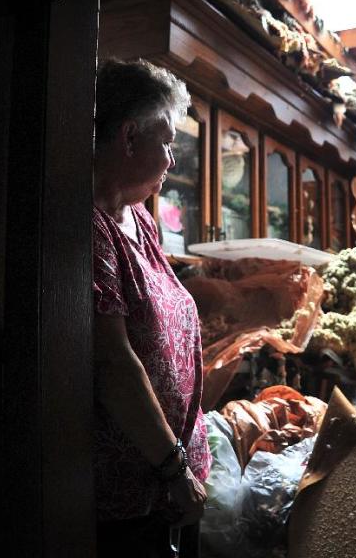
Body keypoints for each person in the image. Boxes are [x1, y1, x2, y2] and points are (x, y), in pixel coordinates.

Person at [92, 58, 210, 557]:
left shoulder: (140, 217)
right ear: (128, 137)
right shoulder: (90, 228)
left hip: (172, 482)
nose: (171, 160)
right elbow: (114, 363)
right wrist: (173, 466)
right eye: (166, 143)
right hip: (137, 489)